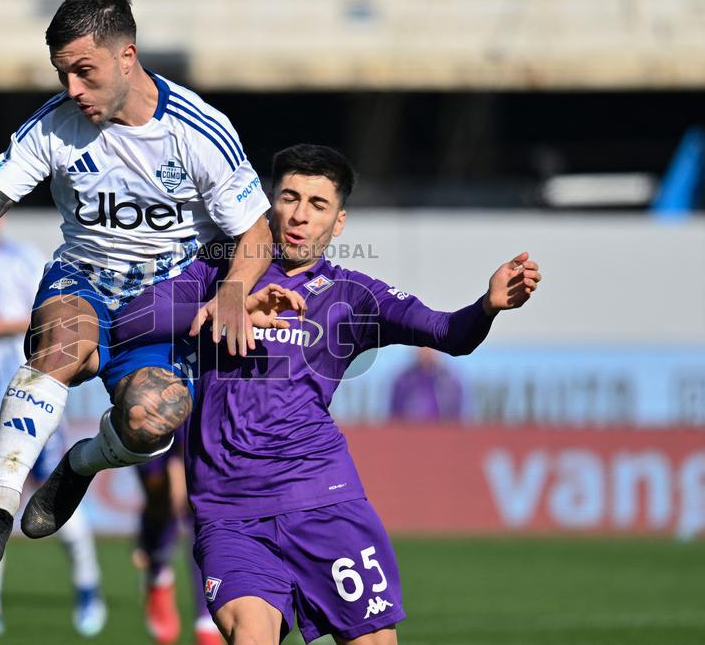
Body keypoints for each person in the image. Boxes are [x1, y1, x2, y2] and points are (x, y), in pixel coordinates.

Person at [110, 144, 543, 644]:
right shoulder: (218, 273)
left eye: (317, 205)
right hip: (230, 513)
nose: (298, 215)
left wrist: (486, 306)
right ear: (268, 204)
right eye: (289, 197)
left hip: (323, 503)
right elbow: (131, 321)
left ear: (339, 223)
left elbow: (448, 333)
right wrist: (230, 307)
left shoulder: (353, 296)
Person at [0, 0, 272, 571]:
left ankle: (80, 466)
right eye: (63, 75)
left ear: (127, 57)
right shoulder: (55, 125)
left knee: (151, 417)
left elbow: (256, 231)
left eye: (84, 72)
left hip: (165, 295)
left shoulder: (197, 132)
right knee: (67, 345)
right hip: (82, 274)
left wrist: (235, 291)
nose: (72, 90)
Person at [0, 222, 107, 638]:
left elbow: (58, 319)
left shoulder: (24, 262)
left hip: (32, 400)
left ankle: (88, 587)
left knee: (51, 502)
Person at [133, 428, 221, 645]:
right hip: (151, 410)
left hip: (202, 406)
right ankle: (158, 573)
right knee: (160, 499)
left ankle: (206, 622)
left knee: (200, 507)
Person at [388, 347, 465, 423]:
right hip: (410, 432)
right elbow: (395, 416)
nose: (427, 350)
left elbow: (455, 418)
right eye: (423, 345)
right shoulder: (404, 381)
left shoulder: (450, 382)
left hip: (440, 432)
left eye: (431, 346)